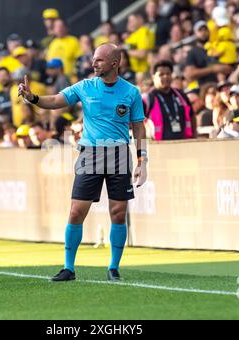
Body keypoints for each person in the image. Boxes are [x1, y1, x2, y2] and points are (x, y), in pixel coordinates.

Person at [19, 43, 148, 282]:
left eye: (98, 60)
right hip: (89, 154)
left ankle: (114, 267)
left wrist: (142, 160)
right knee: (77, 211)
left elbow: (139, 127)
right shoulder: (85, 86)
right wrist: (32, 97)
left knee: (118, 213)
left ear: (114, 63)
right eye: (93, 59)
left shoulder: (131, 92)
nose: (93, 63)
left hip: (119, 154)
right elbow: (56, 100)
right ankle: (69, 267)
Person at [143, 60, 196, 141]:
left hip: (183, 143)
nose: (165, 77)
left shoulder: (181, 95)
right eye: (161, 74)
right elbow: (137, 123)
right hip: (158, 145)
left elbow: (192, 115)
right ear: (153, 77)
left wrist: (194, 136)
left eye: (168, 74)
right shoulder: (147, 98)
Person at [185, 21, 231, 88]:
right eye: (200, 30)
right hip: (206, 89)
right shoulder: (193, 52)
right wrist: (212, 69)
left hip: (225, 86)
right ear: (195, 33)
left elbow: (230, 66)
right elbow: (190, 74)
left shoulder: (217, 46)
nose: (203, 32)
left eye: (205, 29)